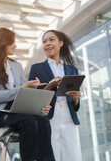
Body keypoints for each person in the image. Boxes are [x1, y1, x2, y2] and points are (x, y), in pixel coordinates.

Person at [0, 27, 55, 161]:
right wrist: (22, 88)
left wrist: (39, 107)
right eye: (12, 42)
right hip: (0, 114)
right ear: (3, 43)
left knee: (43, 121)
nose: (15, 45)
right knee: (28, 120)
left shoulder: (16, 65)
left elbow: (25, 94)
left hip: (19, 110)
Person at [28, 30, 82, 161]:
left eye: (51, 40)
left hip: (69, 116)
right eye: (44, 41)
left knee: (72, 155)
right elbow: (31, 97)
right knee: (51, 155)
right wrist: (50, 86)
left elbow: (75, 104)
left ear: (61, 43)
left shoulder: (72, 70)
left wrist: (75, 99)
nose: (47, 44)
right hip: (48, 116)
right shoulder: (36, 68)